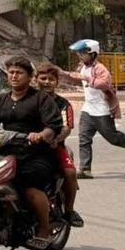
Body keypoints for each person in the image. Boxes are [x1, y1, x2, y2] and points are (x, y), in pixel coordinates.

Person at [0, 57, 62, 249]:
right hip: (6, 150)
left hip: (35, 153)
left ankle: (43, 229)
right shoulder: (2, 99)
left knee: (28, 186)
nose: (14, 76)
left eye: (19, 73)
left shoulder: (41, 99)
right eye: (11, 72)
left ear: (30, 77)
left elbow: (54, 126)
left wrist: (40, 135)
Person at [60, 39, 125, 178]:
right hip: (88, 108)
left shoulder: (100, 68)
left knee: (112, 138)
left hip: (102, 109)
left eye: (83, 53)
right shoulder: (82, 66)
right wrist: (62, 74)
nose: (80, 56)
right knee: (84, 138)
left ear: (93, 54)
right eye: (79, 53)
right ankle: (85, 169)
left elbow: (104, 83)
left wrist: (85, 78)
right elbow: (77, 78)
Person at [35, 63, 83, 228]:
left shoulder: (63, 104)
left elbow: (67, 127)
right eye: (43, 78)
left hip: (54, 147)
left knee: (70, 172)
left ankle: (69, 211)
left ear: (57, 82)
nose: (47, 82)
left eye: (51, 79)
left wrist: (56, 139)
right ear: (36, 80)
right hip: (26, 145)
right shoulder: (27, 98)